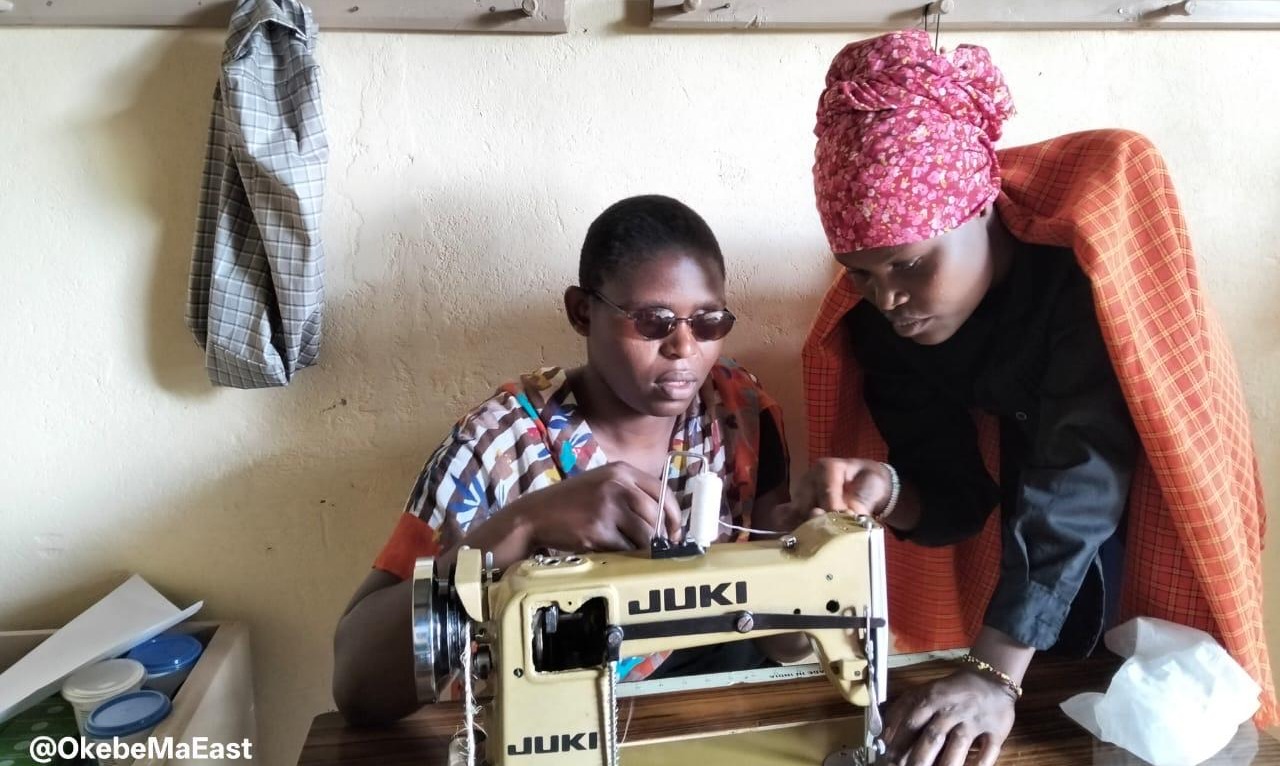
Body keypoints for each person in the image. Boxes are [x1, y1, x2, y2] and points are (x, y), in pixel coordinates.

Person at [788, 29, 1275, 766]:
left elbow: (1081, 469)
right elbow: (956, 498)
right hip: (1039, 511)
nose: (888, 297)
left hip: (1132, 492)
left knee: (1144, 701)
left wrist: (991, 672)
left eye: (910, 265)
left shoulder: (1079, 269)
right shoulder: (886, 325)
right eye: (859, 273)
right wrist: (887, 490)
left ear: (982, 209)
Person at [333, 194, 794, 725]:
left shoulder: (740, 410)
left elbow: (782, 634)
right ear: (582, 311)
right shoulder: (494, 449)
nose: (684, 347)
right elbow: (357, 685)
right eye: (653, 321)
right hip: (563, 727)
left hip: (714, 711)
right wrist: (524, 524)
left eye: (709, 322)